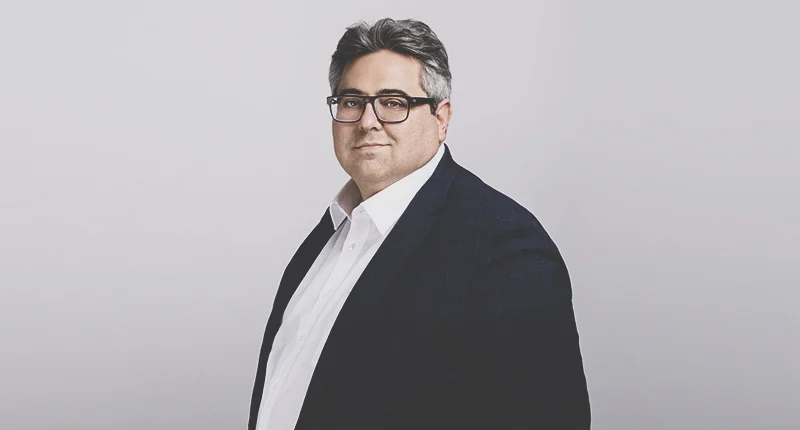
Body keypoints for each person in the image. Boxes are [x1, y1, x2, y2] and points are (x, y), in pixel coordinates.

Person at [248, 17, 590, 430]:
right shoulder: (331, 233)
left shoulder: (502, 246)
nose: (368, 121)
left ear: (441, 117)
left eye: (394, 102)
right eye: (352, 101)